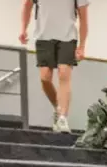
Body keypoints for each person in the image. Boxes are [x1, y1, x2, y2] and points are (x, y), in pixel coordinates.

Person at [19, 0, 89, 133]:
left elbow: (84, 18)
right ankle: (58, 107)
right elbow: (27, 5)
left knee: (64, 74)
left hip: (68, 37)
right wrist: (23, 29)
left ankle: (63, 117)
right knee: (45, 78)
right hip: (43, 37)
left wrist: (82, 46)